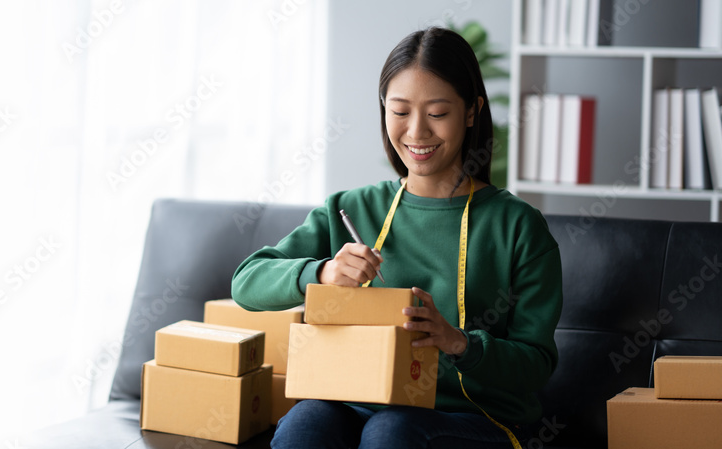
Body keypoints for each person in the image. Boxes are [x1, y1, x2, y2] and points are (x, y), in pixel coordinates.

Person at [231, 27, 563, 449]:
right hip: (358, 403)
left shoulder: (517, 226)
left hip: (476, 418)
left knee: (393, 432)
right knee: (304, 425)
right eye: (400, 111)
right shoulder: (350, 209)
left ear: (473, 110)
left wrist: (459, 343)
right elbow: (245, 282)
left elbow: (535, 365)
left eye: (438, 113)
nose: (417, 132)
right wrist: (322, 271)